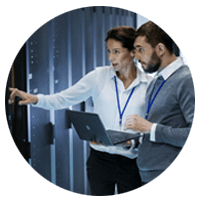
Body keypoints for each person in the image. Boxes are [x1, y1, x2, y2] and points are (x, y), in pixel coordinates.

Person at [9, 26, 152, 196]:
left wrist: (134, 142)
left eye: (116, 52)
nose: (110, 58)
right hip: (100, 160)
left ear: (133, 52)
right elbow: (64, 98)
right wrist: (36, 99)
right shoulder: (99, 76)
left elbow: (154, 126)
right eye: (109, 51)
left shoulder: (149, 85)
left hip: (132, 162)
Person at [125, 21, 195, 185]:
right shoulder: (156, 82)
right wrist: (133, 141)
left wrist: (150, 128)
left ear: (161, 49)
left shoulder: (186, 80)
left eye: (141, 49)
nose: (135, 56)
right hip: (146, 173)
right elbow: (159, 127)